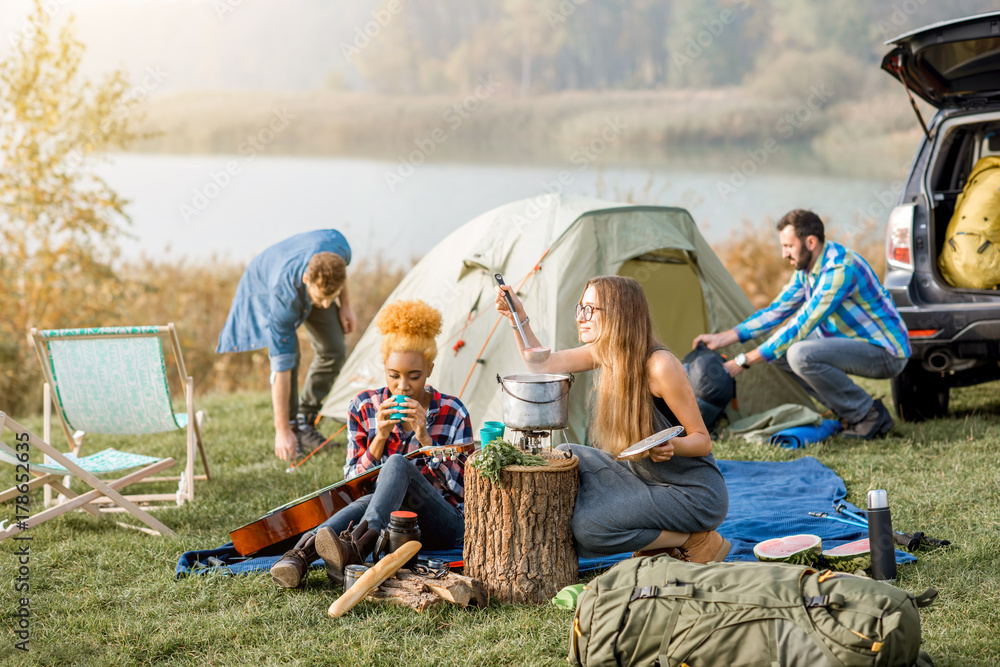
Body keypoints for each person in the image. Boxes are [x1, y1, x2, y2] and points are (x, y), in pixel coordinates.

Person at [495, 276, 730, 564]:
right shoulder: (608, 353)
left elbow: (702, 441)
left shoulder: (660, 365)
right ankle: (658, 540)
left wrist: (672, 445)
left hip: (693, 494)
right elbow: (541, 363)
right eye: (580, 308)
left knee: (590, 528)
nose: (581, 317)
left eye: (590, 309)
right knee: (569, 454)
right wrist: (518, 319)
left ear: (619, 313)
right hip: (644, 477)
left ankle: (695, 538)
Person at [269, 300, 473, 588]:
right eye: (394, 376)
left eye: (414, 376)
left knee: (397, 464)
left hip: (444, 523)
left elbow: (466, 491)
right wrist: (380, 437)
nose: (403, 386)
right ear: (385, 369)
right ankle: (301, 557)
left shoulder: (453, 411)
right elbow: (350, 485)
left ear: (429, 369)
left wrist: (426, 440)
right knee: (371, 498)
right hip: (387, 518)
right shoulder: (364, 406)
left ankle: (348, 547)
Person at [694, 209, 911, 439]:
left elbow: (802, 325)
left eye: (788, 246)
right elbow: (775, 312)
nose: (783, 254)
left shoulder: (840, 269)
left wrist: (744, 360)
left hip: (886, 351)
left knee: (800, 354)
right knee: (778, 352)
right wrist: (724, 337)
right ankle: (848, 411)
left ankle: (868, 415)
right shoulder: (807, 268)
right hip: (849, 341)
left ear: (810, 242)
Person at [217, 230, 357, 461]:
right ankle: (292, 428)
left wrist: (345, 305)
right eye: (322, 298)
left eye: (331, 297)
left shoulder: (339, 246)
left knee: (334, 348)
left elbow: (338, 275)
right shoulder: (283, 297)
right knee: (290, 356)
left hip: (311, 279)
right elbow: (279, 367)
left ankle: (306, 419)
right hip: (265, 282)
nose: (325, 304)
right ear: (306, 281)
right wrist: (280, 430)